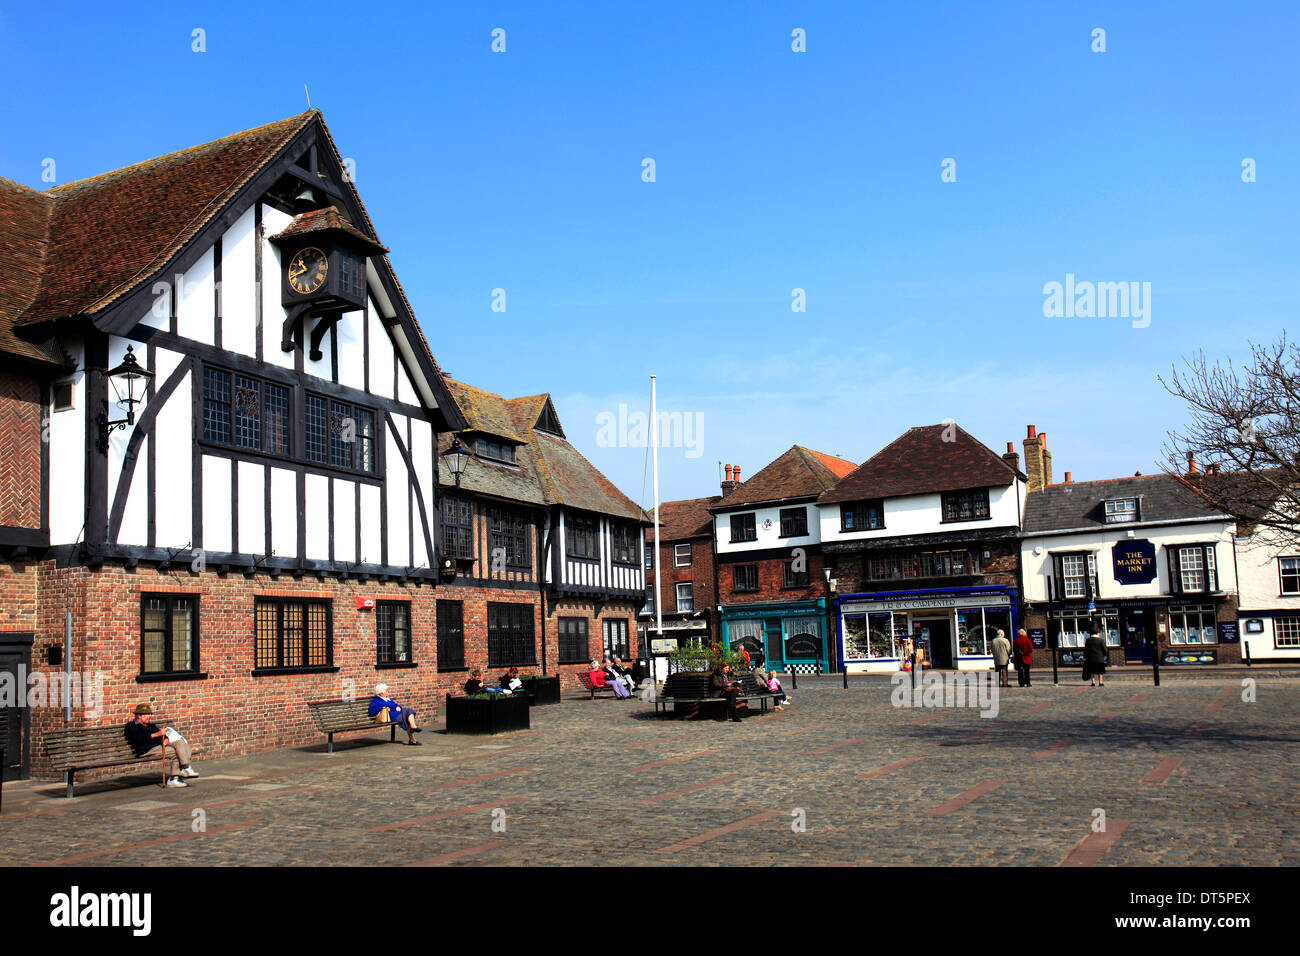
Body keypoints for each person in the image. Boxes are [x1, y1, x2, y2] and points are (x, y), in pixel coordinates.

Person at [124, 703, 198, 788]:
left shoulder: (150, 725)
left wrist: (166, 739)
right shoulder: (131, 726)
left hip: (158, 746)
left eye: (149, 714)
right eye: (146, 714)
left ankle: (186, 767)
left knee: (181, 743)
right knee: (174, 752)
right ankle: (174, 778)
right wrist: (156, 734)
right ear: (138, 716)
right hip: (145, 749)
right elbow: (139, 739)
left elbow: (162, 735)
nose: (149, 716)